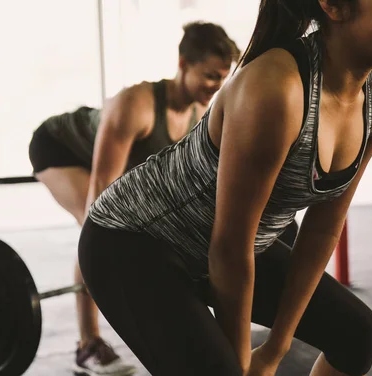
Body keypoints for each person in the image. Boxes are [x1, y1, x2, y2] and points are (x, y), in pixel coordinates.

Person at [79, 0, 372, 375]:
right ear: (334, 6)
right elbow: (230, 246)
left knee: (357, 334)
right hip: (134, 242)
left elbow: (323, 227)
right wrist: (240, 361)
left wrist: (276, 348)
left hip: (235, 248)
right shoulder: (276, 86)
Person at [28, 21, 240, 376]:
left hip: (100, 154)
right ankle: (88, 345)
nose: (215, 86)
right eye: (209, 76)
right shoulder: (136, 105)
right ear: (183, 63)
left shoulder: (198, 115)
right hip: (59, 149)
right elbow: (101, 204)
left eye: (222, 78)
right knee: (91, 225)